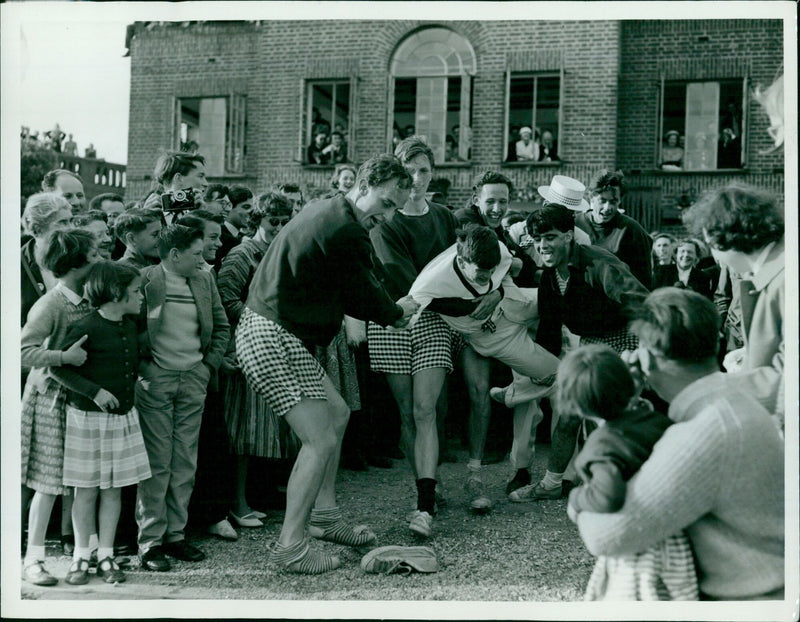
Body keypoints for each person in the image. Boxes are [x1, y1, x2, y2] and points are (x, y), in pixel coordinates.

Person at [236, 154, 418, 573]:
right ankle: (291, 547)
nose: (388, 217)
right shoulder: (345, 226)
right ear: (365, 185)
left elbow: (360, 279)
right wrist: (397, 312)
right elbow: (363, 293)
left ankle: (325, 517)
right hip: (272, 334)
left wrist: (388, 303)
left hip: (275, 332)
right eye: (387, 203)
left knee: (336, 414)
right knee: (319, 441)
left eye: (395, 209)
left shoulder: (331, 210)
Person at [575, 288, 784, 600]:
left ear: (646, 358)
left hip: (751, 602)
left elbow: (606, 537)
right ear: (715, 343)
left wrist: (577, 502)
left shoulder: (702, 432)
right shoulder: (733, 400)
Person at [509, 204, 648, 502]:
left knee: (613, 420)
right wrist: (542, 373)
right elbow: (549, 330)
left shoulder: (599, 263)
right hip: (591, 344)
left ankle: (628, 492)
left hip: (626, 339)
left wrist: (639, 355)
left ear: (569, 236)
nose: (543, 245)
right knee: (570, 414)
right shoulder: (548, 278)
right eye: (537, 238)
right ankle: (551, 484)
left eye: (550, 236)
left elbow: (642, 305)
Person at [367, 137, 464, 532]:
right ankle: (424, 483)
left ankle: (425, 503)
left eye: (424, 171)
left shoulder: (443, 216)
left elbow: (458, 268)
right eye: (410, 172)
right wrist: (465, 304)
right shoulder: (386, 220)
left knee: (428, 410)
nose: (418, 179)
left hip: (434, 321)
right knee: (408, 412)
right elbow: (404, 278)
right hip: (392, 320)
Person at [558, 345, 696, 601]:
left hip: (638, 550)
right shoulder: (656, 422)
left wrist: (577, 498)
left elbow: (608, 495)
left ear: (578, 409)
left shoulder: (601, 445)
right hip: (676, 537)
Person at [49, 262, 152, 585]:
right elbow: (59, 369)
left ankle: (106, 555)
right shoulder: (86, 326)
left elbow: (132, 360)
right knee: (87, 491)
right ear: (116, 293)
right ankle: (81, 555)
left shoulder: (130, 324)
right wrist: (94, 391)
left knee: (113, 491)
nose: (141, 297)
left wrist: (138, 378)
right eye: (135, 291)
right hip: (87, 421)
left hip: (122, 420)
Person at [134, 224, 229, 572]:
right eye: (195, 253)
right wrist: (145, 368)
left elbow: (221, 327)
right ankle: (150, 543)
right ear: (174, 255)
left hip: (193, 378)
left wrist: (207, 366)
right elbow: (129, 327)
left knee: (185, 462)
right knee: (157, 463)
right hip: (156, 380)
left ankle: (176, 535)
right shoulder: (145, 279)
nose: (201, 258)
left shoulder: (204, 281)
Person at [21, 229, 99, 586]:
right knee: (48, 484)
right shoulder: (51, 304)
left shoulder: (89, 297)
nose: (100, 259)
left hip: (81, 403)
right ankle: (34, 559)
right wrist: (63, 356)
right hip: (51, 402)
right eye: (94, 254)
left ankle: (86, 553)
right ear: (76, 263)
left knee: (83, 481)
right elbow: (22, 352)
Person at [218, 192, 295, 528]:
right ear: (257, 220)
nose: (277, 228)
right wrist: (260, 318)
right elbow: (224, 298)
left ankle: (256, 495)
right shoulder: (242, 254)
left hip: (272, 344)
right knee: (243, 431)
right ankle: (237, 502)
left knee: (264, 428)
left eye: (283, 222)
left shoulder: (276, 251)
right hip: (245, 344)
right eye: (271, 222)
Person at [683, 182, 785, 426]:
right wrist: (751, 354)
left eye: (712, 247)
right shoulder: (778, 270)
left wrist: (734, 383)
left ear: (722, 241)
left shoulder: (783, 281)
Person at [575, 170, 652, 288]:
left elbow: (643, 280)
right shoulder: (575, 225)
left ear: (620, 200)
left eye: (613, 201)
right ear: (591, 197)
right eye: (603, 201)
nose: (607, 208)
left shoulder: (632, 231)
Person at [21, 193, 73, 327]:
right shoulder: (14, 265)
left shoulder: (81, 257)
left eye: (70, 221)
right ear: (37, 228)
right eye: (62, 222)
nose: (71, 228)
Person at [151, 151, 209, 223]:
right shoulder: (151, 211)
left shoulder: (202, 213)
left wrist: (202, 218)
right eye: (200, 176)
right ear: (179, 178)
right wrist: (144, 219)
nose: (206, 183)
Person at [215, 185, 254, 271]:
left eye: (252, 208)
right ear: (230, 207)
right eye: (246, 207)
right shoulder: (218, 236)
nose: (251, 212)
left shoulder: (245, 237)